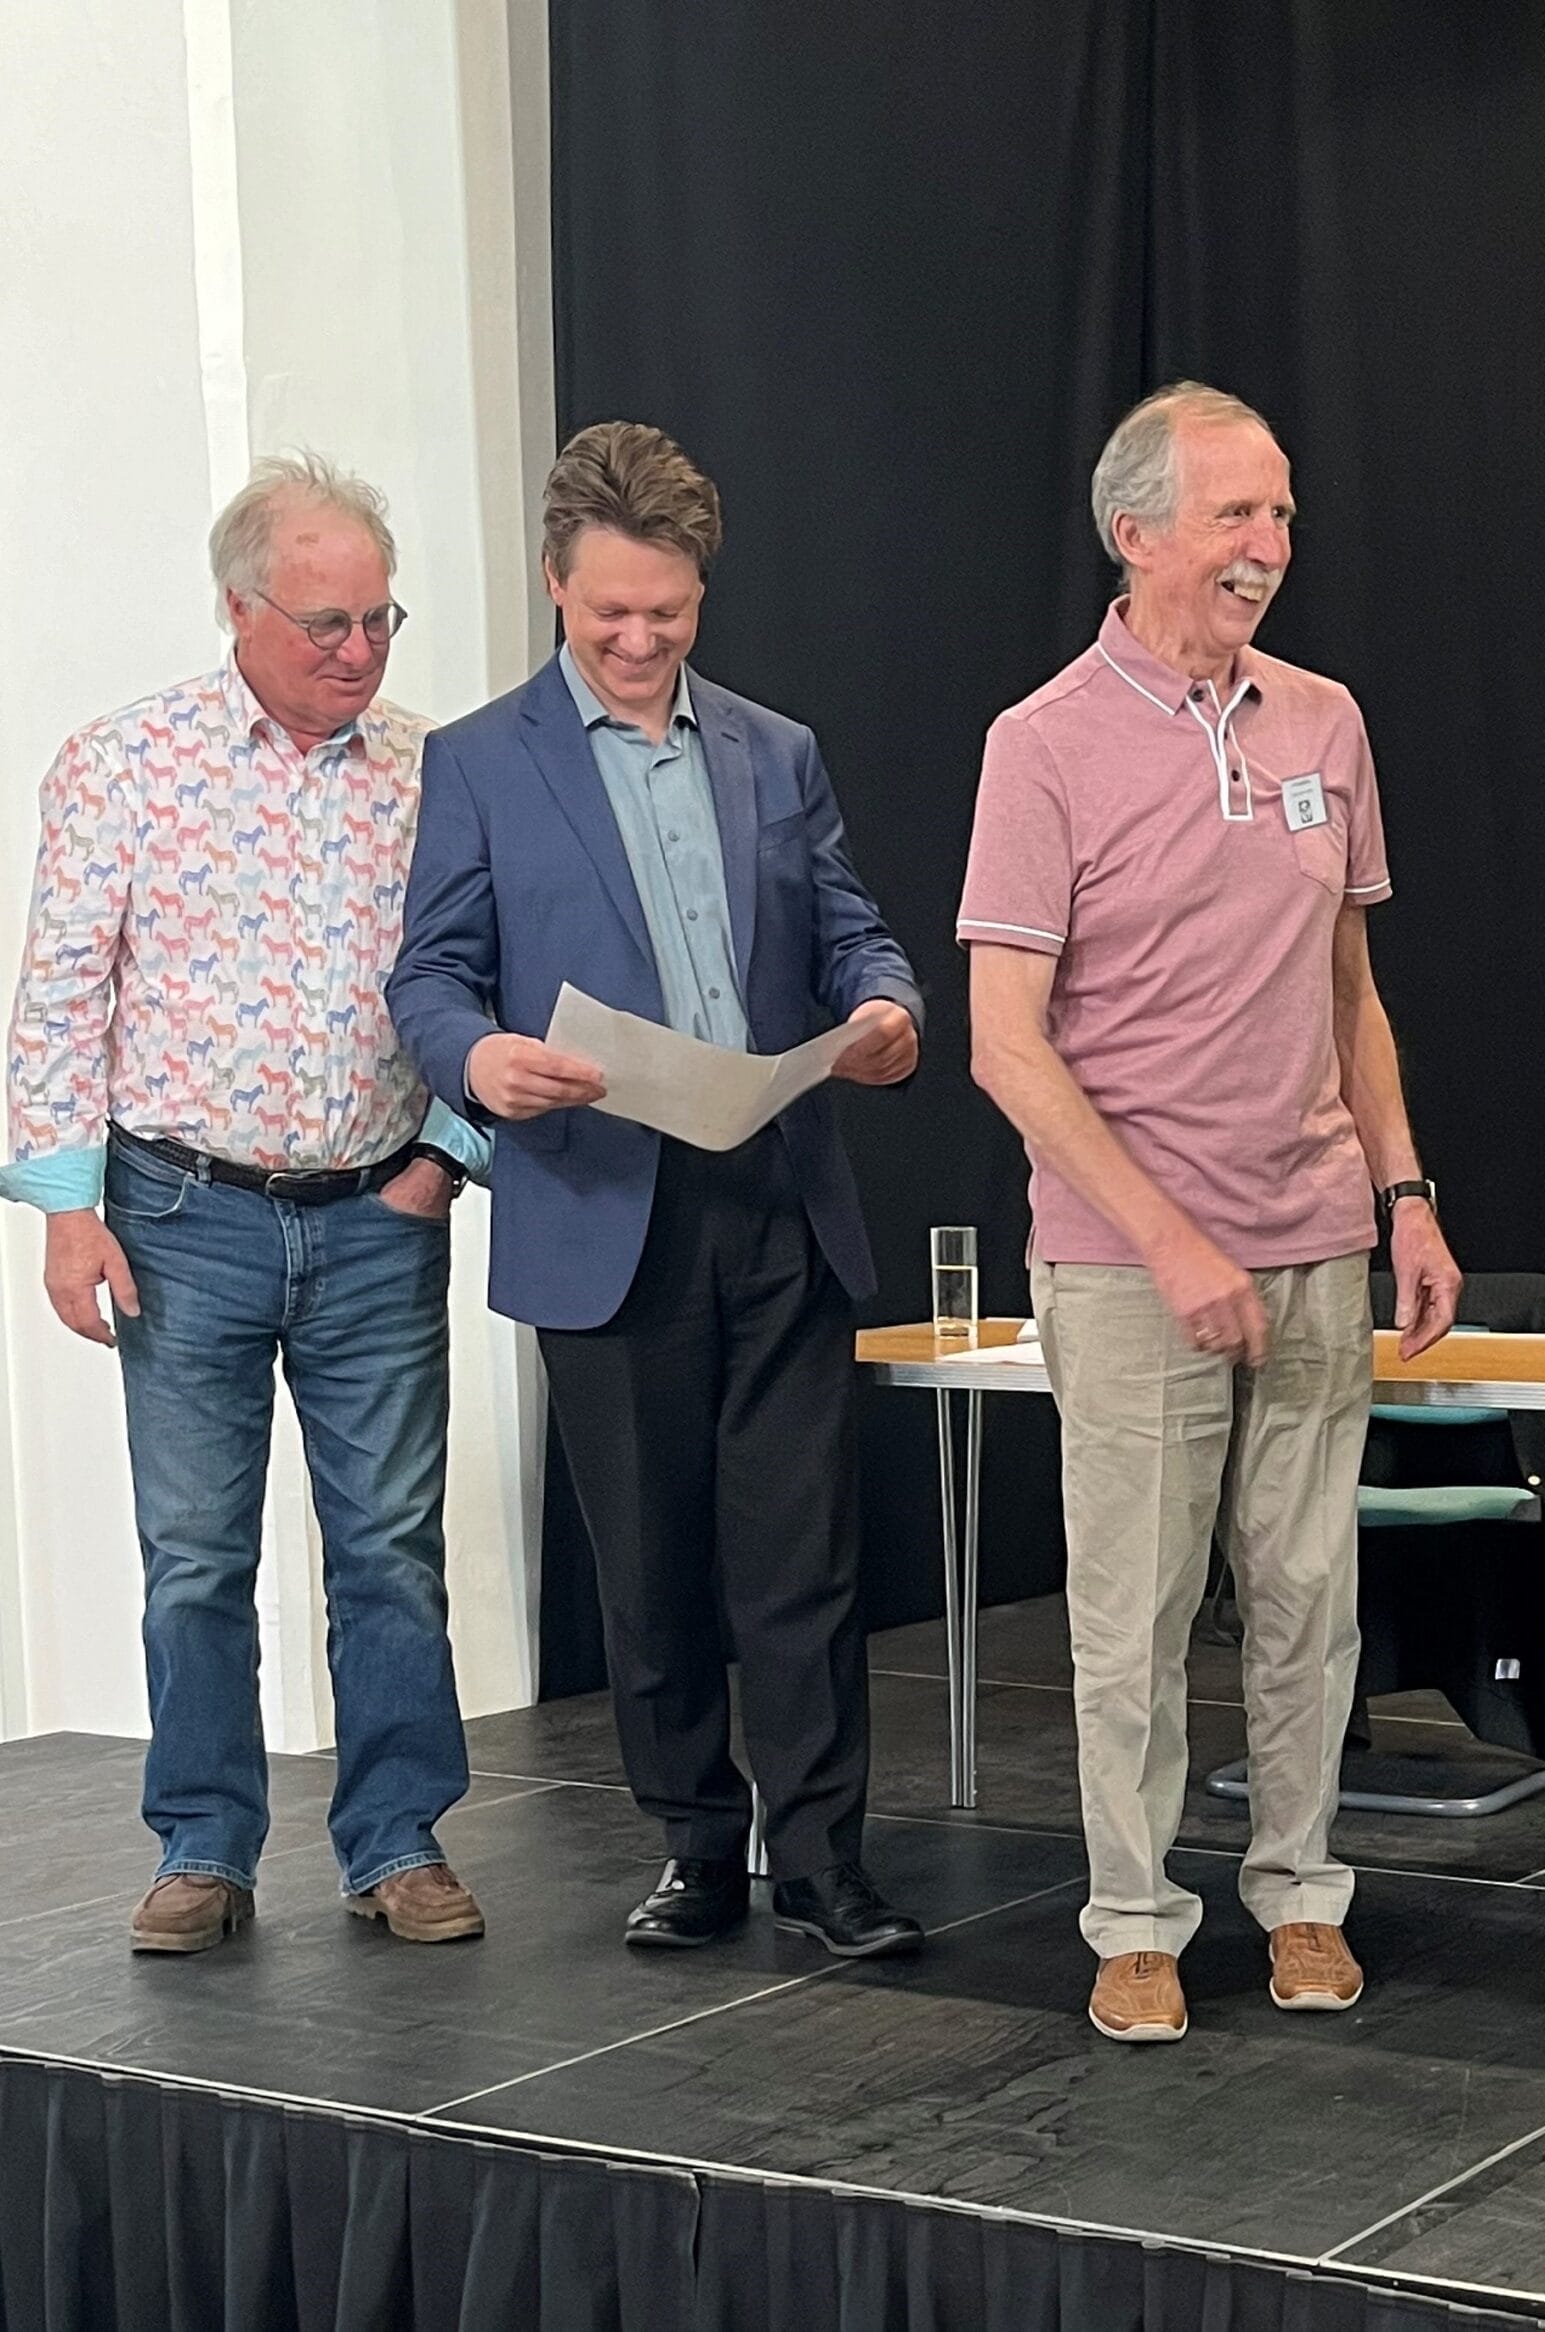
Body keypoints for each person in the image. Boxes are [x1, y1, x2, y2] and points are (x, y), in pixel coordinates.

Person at [961, 381, 1462, 2044]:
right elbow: (1004, 1046)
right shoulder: (1042, 744)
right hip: (1127, 1268)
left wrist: (1404, 1194)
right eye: (1236, 514)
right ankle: (1133, 1921)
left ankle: (1304, 1895)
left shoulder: (1326, 722)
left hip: (1315, 1239)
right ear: (1137, 533)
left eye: (1282, 514)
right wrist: (1172, 1240)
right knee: (1137, 1614)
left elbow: (1350, 988)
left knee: (1311, 1599)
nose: (1271, 544)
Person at [389, 422, 926, 1960]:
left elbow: (850, 929)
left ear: (702, 591)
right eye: (611, 611)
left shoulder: (777, 749)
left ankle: (822, 1863)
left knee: (803, 1561)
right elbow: (429, 976)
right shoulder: (480, 761)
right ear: (555, 583)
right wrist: (480, 1060)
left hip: (778, 1197)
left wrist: (886, 1008)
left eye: (669, 613)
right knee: (650, 1565)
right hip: (600, 1206)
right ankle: (697, 1847)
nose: (638, 640)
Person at [2, 453, 489, 1953]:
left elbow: (493, 976)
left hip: (377, 1215)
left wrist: (447, 1157)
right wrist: (64, 1208)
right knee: (197, 1555)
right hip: (179, 1216)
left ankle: (398, 1838)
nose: (358, 652)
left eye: (380, 621)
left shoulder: (436, 771)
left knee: (390, 1547)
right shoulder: (122, 764)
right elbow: (61, 996)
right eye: (324, 623)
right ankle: (203, 1845)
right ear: (239, 609)